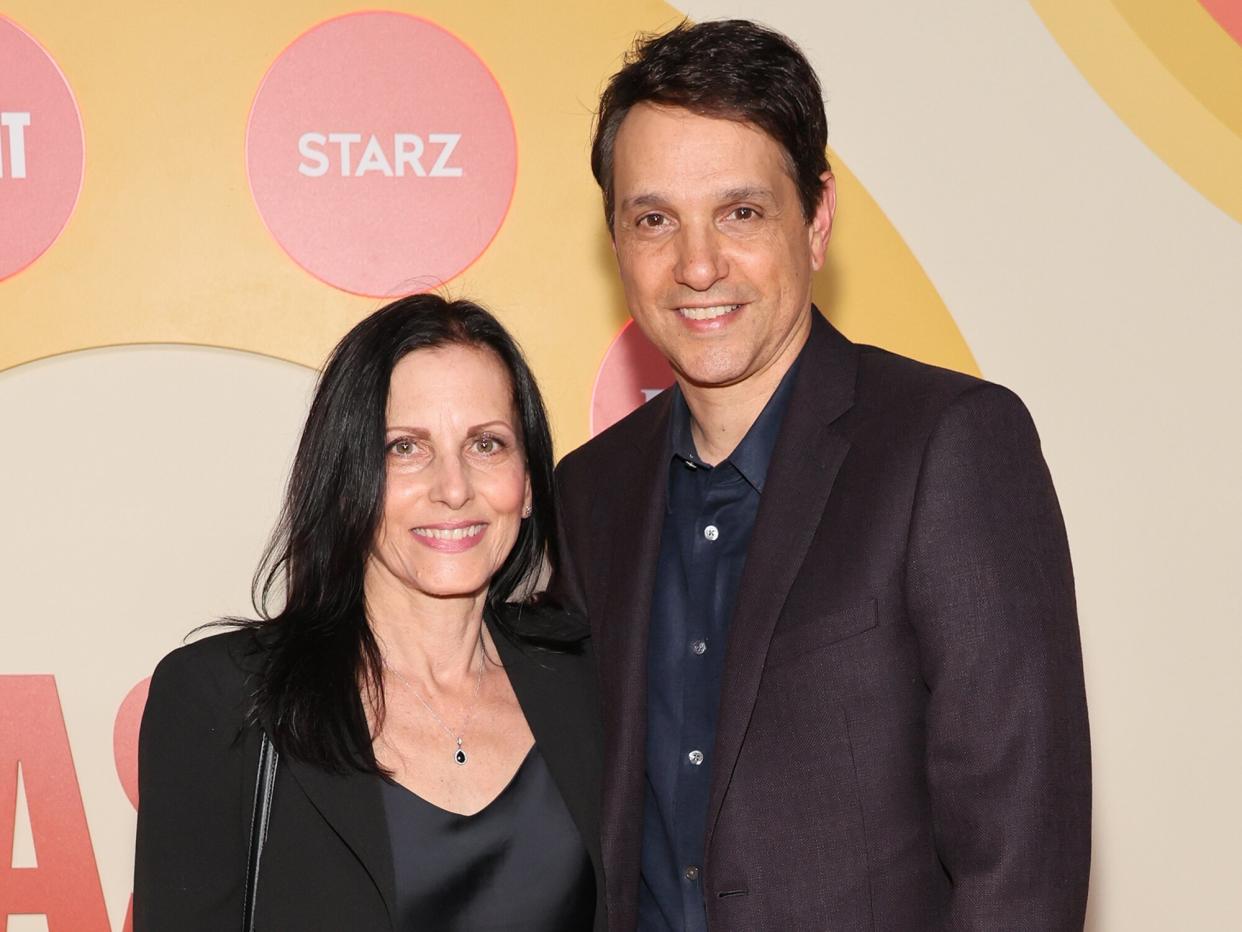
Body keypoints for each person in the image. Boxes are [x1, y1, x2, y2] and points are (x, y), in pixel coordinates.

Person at [553, 19, 1091, 931]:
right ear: (616, 242)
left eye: (741, 212)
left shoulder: (947, 446)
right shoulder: (589, 492)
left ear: (818, 219)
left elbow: (1020, 854)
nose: (696, 265)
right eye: (654, 220)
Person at [135, 296, 605, 931]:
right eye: (405, 447)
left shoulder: (588, 681)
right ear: (347, 476)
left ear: (526, 485)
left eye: (487, 444)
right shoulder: (222, 699)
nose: (454, 487)